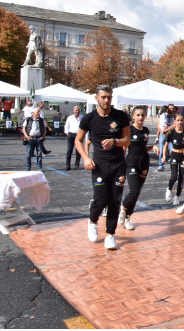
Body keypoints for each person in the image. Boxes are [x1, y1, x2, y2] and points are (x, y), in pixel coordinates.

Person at [75, 85, 130, 250]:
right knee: (100, 200)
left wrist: (115, 141)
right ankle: (92, 221)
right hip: (99, 166)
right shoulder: (89, 118)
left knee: (115, 200)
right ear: (96, 98)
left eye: (109, 97)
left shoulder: (120, 116)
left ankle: (110, 235)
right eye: (103, 97)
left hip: (118, 165)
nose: (106, 100)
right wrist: (85, 158)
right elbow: (78, 140)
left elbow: (127, 140)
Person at [117, 106, 159, 230]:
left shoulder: (145, 130)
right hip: (131, 163)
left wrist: (152, 147)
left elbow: (142, 147)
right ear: (133, 116)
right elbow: (124, 148)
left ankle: (128, 218)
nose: (141, 117)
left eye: (142, 115)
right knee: (134, 191)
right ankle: (123, 210)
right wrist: (120, 164)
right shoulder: (129, 129)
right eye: (138, 115)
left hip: (144, 163)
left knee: (137, 193)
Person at [162, 114, 184, 205]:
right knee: (174, 176)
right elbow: (165, 146)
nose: (179, 122)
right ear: (174, 122)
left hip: (183, 157)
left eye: (181, 120)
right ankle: (169, 189)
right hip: (174, 155)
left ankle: (177, 196)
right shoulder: (171, 133)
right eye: (178, 120)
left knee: (181, 177)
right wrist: (163, 156)